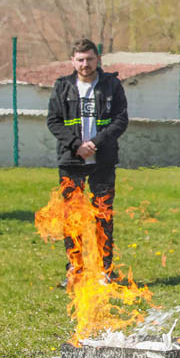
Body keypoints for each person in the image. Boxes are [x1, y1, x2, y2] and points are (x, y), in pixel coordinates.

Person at [47, 38, 129, 287]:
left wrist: (95, 143)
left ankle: (106, 271)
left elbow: (121, 120)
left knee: (103, 216)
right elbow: (53, 121)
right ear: (72, 61)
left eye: (90, 59)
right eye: (80, 59)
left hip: (102, 161)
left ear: (98, 59)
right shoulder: (62, 87)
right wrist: (76, 145)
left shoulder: (112, 85)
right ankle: (75, 270)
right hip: (71, 162)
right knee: (72, 218)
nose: (85, 64)